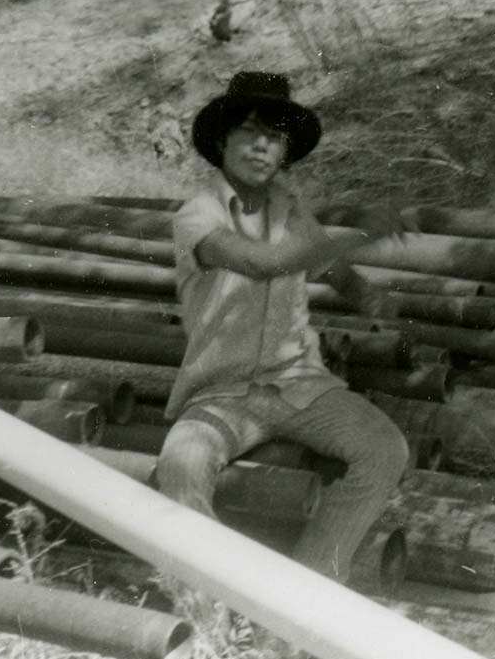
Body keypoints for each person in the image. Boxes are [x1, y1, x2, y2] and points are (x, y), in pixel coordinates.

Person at [156, 71, 414, 585]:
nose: (260, 146)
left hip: (300, 385)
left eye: (273, 137)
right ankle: (211, 610)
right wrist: (360, 234)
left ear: (284, 151)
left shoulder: (291, 210)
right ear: (223, 140)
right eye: (250, 132)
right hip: (220, 393)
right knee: (180, 469)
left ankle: (304, 600)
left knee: (384, 450)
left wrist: (373, 299)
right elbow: (262, 262)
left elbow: (332, 271)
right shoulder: (197, 215)